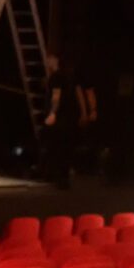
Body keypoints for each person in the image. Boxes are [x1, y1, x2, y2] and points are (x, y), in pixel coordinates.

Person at [41, 53, 80, 186]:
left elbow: (56, 96)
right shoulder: (63, 77)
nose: (47, 61)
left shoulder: (57, 78)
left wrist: (53, 113)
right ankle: (60, 177)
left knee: (57, 147)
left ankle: (58, 177)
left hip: (60, 119)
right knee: (61, 148)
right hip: (65, 118)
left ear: (56, 60)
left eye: (49, 59)